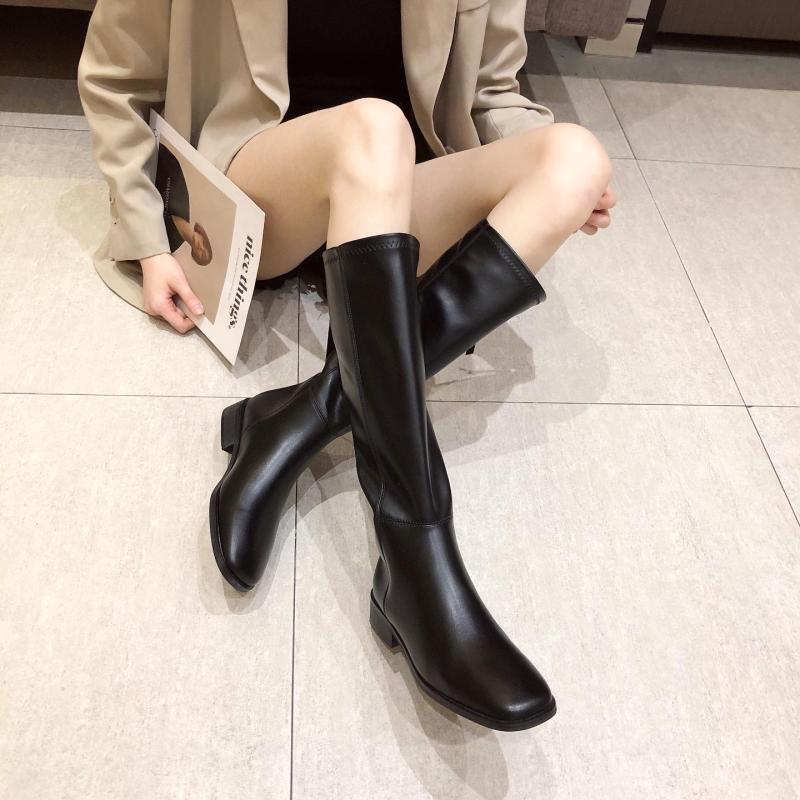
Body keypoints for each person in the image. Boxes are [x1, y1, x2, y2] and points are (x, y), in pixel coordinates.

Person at [78, 0, 616, 732]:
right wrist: (145, 237)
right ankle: (417, 551)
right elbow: (113, 76)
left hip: (393, 200)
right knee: (375, 125)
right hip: (261, 190)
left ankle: (300, 415)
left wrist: (558, 183)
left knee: (577, 158)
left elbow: (493, 93)